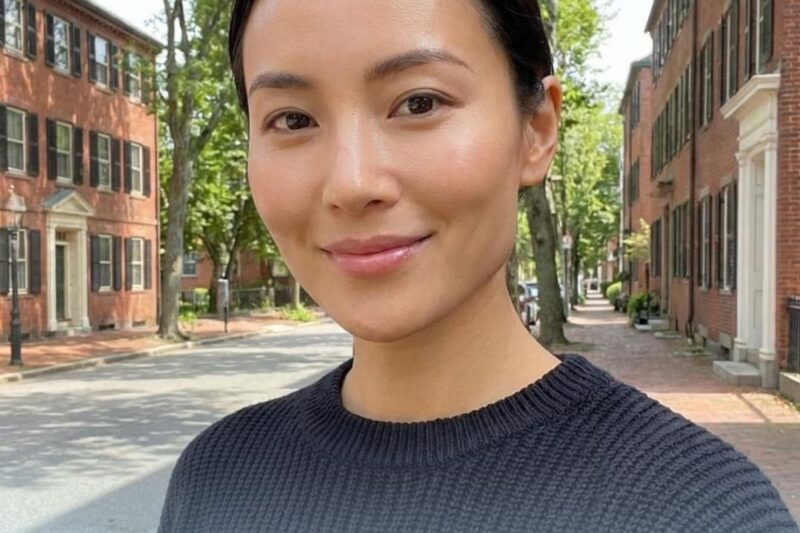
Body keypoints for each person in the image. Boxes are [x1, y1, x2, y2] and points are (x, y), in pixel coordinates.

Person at [157, 1, 799, 531]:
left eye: (418, 103)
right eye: (292, 119)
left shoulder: (702, 512)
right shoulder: (214, 481)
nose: (350, 184)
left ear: (537, 130)